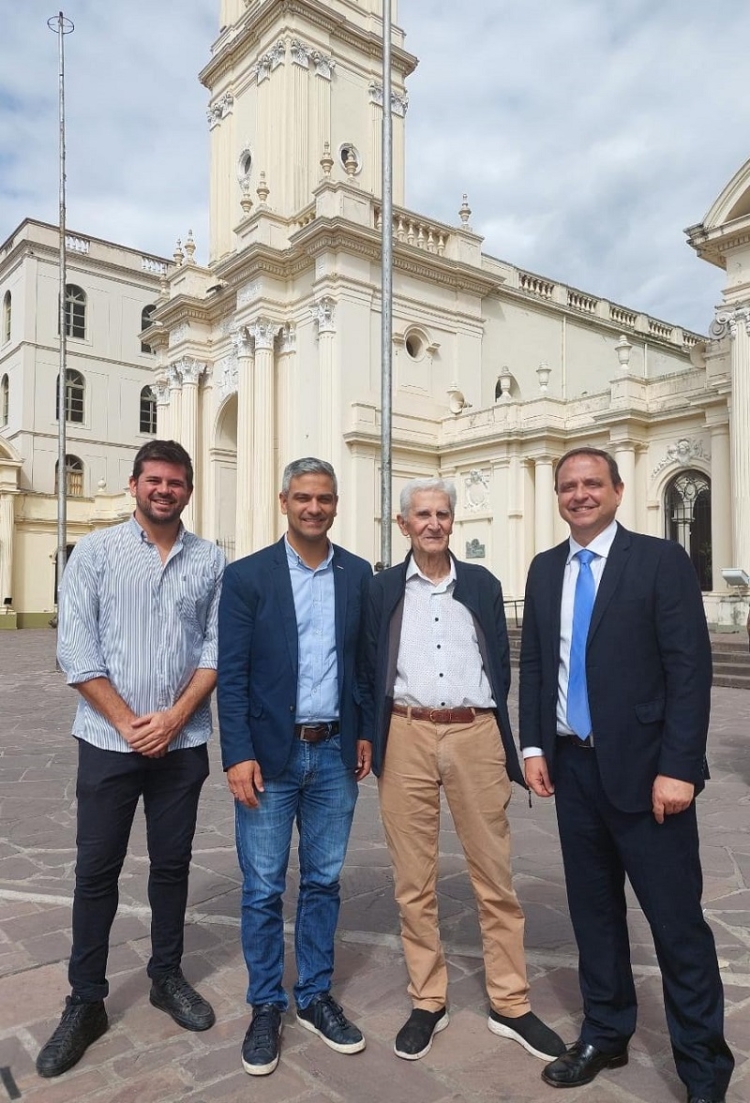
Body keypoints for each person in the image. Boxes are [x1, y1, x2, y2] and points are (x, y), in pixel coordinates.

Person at [519, 446, 734, 1103]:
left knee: (676, 925)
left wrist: (678, 768)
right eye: (568, 486)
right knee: (594, 916)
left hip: (649, 778)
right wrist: (532, 746)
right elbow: (534, 665)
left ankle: (703, 1069)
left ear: (616, 490)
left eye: (592, 483)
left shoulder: (660, 561)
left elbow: (689, 670)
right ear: (558, 496)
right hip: (574, 770)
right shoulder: (545, 567)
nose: (580, 494)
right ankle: (606, 1032)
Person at [36, 439, 224, 1079]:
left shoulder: (211, 561)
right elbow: (76, 652)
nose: (164, 490)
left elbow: (216, 652)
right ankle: (85, 1000)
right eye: (154, 480)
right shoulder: (94, 553)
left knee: (172, 868)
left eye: (175, 482)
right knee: (96, 871)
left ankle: (166, 977)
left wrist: (172, 719)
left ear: (189, 490)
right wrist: (129, 723)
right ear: (135, 485)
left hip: (183, 744)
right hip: (107, 743)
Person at [363, 477, 564, 1064]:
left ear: (453, 522)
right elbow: (366, 666)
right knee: (413, 880)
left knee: (494, 876)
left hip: (475, 732)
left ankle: (510, 1002)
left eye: (442, 514)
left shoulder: (480, 584)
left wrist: (504, 739)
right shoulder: (382, 591)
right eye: (421, 514)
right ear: (404, 525)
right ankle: (428, 1000)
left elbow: (498, 663)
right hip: (406, 732)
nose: (433, 523)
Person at [217, 457, 372, 1077]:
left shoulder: (358, 575)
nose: (314, 508)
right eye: (303, 497)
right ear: (284, 501)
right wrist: (236, 754)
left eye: (325, 499)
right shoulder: (248, 576)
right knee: (261, 889)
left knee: (323, 881)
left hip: (334, 752)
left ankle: (313, 996)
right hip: (269, 758)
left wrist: (362, 736)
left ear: (336, 504)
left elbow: (362, 668)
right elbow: (231, 676)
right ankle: (264, 1006)